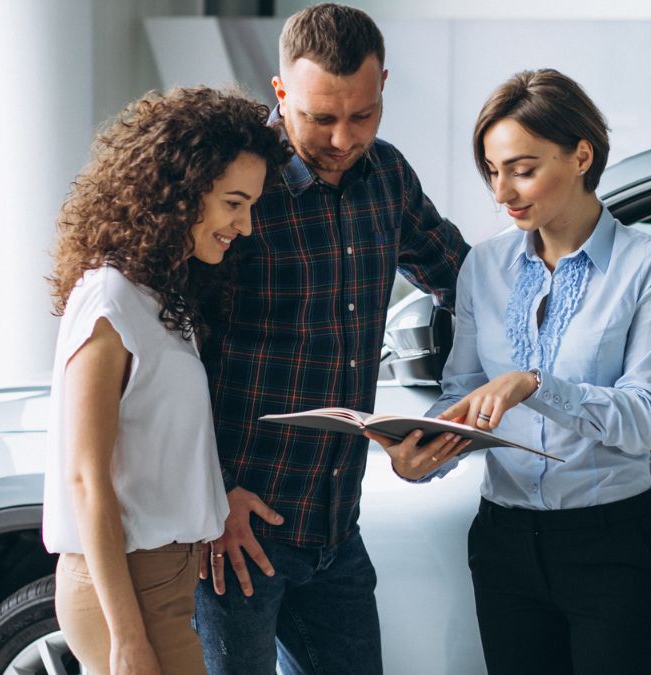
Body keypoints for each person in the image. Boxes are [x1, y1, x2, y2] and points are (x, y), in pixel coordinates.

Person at [368, 68, 651, 675]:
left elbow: (646, 418)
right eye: (492, 172)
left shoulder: (648, 267)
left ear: (581, 155)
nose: (503, 193)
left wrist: (536, 385)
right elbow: (464, 392)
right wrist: (426, 451)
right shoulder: (483, 268)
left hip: (612, 547)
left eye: (522, 168)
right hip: (503, 543)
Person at [193, 5, 469, 674]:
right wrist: (211, 493)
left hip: (337, 530)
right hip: (237, 533)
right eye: (322, 118)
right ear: (281, 93)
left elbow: (468, 284)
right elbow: (176, 353)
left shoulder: (390, 178)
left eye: (364, 115)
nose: (345, 139)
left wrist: (458, 410)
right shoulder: (239, 189)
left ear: (382, 89)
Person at [42, 87, 289, 674]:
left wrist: (210, 496)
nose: (245, 226)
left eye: (251, 205)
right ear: (181, 191)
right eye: (234, 202)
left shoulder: (159, 296)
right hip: (125, 591)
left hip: (163, 580)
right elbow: (86, 478)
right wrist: (126, 637)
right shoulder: (109, 300)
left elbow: (150, 441)